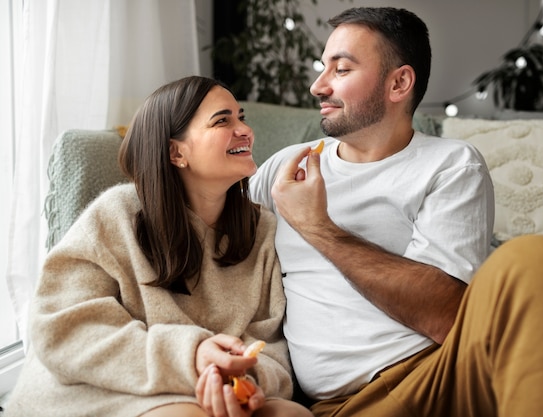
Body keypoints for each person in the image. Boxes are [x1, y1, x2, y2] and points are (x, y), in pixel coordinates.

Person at [249, 7, 543, 417]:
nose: (317, 87)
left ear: (399, 83)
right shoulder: (286, 168)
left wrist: (317, 227)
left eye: (341, 70)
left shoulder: (451, 164)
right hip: (346, 406)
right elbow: (214, 258)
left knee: (542, 259)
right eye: (323, 68)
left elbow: (445, 316)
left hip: (444, 375)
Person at [4, 76, 312, 417]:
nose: (244, 130)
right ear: (175, 151)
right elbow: (63, 329)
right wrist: (191, 357)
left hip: (204, 392)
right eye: (223, 120)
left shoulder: (263, 229)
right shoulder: (116, 215)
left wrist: (246, 382)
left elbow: (269, 346)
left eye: (241, 117)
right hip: (99, 386)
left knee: (291, 415)